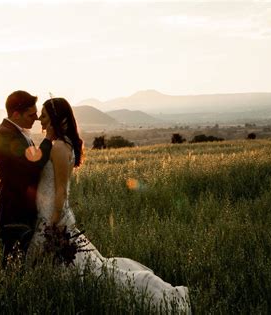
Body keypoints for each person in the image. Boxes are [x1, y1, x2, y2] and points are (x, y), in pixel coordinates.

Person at [28, 97, 191, 313]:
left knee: (88, 274)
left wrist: (54, 225)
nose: (40, 118)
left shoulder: (58, 148)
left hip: (53, 217)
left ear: (60, 120)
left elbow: (60, 192)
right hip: (51, 214)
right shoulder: (65, 145)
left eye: (45, 115)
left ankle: (142, 293)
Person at [0, 90, 54, 267]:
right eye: (31, 114)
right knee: (13, 268)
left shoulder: (19, 132)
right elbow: (32, 166)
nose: (36, 118)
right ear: (16, 114)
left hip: (24, 211)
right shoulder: (5, 135)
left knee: (25, 265)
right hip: (13, 212)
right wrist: (48, 138)